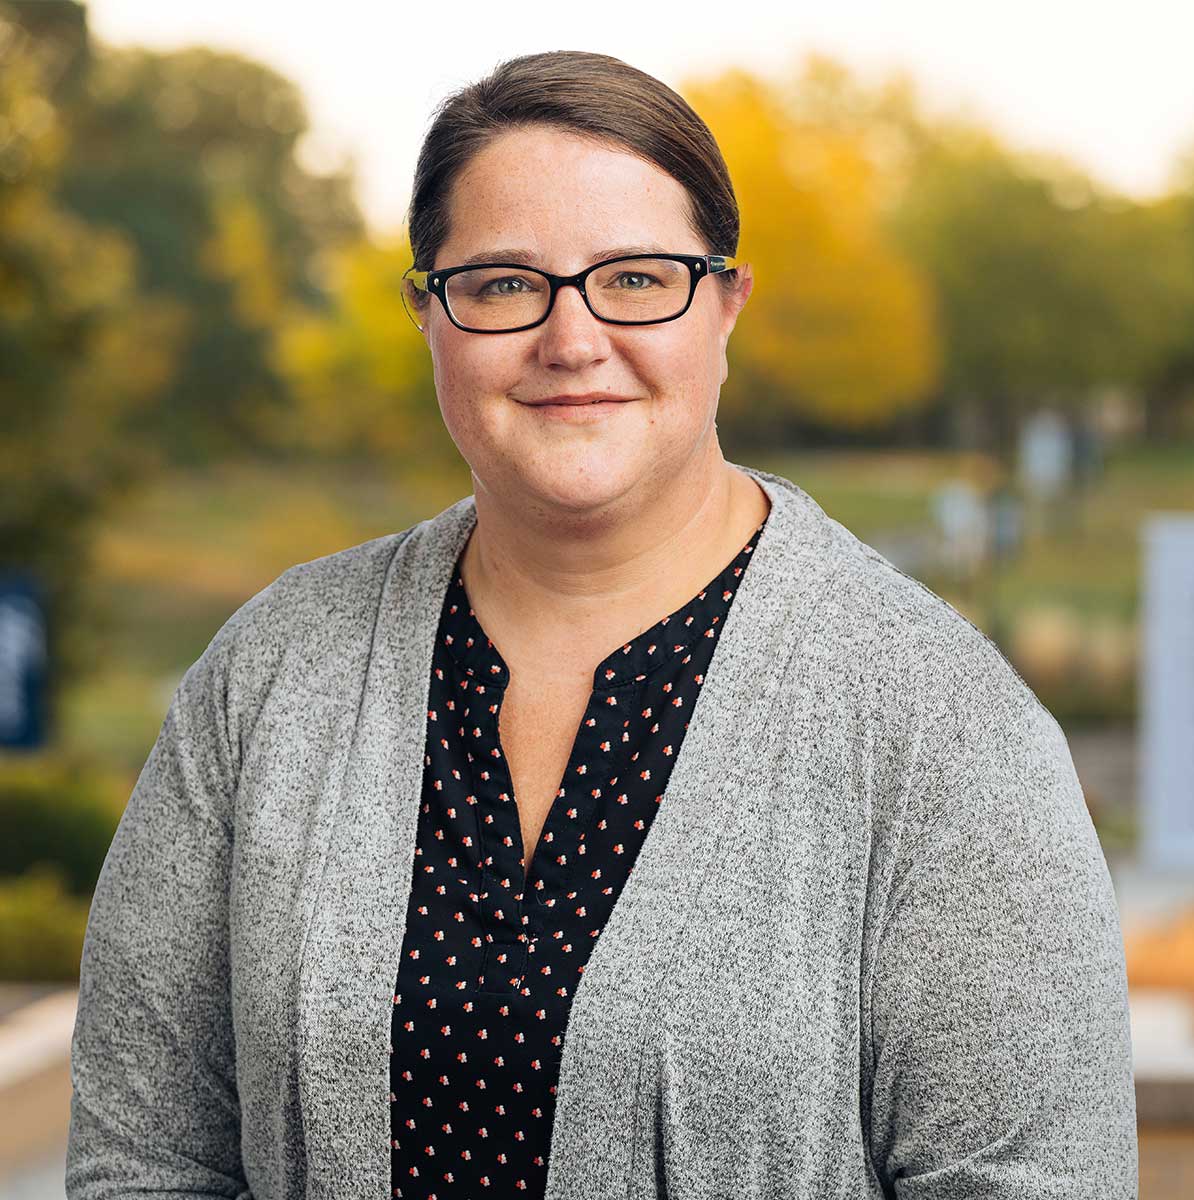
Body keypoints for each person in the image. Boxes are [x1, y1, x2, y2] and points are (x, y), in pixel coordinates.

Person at [66, 49, 1137, 1200]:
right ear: (431, 313)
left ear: (726, 304)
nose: (572, 341)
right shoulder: (271, 676)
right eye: (504, 283)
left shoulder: (944, 727)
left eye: (635, 279)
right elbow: (145, 1159)